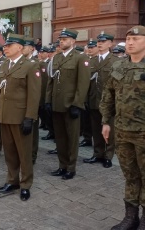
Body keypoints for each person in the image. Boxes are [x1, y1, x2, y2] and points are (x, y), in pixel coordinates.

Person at [100, 25, 145, 230]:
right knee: (130, 174)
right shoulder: (118, 66)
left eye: (135, 38)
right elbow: (108, 96)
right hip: (122, 130)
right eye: (128, 39)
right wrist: (106, 122)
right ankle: (131, 217)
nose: (130, 42)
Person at [0, 34, 41, 201]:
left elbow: (34, 95)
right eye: (5, 46)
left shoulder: (30, 66)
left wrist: (29, 117)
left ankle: (26, 184)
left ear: (20, 47)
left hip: (21, 117)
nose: (5, 48)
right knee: (10, 152)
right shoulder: (4, 65)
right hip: (5, 115)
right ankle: (12, 180)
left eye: (9, 45)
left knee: (24, 153)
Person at [46, 28, 90, 180]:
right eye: (60, 39)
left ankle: (71, 167)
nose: (61, 41)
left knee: (71, 138)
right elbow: (51, 81)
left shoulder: (80, 57)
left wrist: (77, 104)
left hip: (71, 105)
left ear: (73, 41)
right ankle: (62, 165)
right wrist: (48, 101)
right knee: (60, 137)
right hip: (57, 104)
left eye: (65, 39)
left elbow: (83, 84)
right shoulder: (56, 58)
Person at [83, 32, 120, 169]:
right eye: (99, 41)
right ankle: (97, 153)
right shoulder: (91, 61)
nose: (100, 43)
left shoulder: (116, 61)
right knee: (96, 129)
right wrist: (85, 99)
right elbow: (86, 83)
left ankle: (108, 156)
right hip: (93, 100)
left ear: (110, 44)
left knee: (109, 130)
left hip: (109, 103)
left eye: (103, 42)